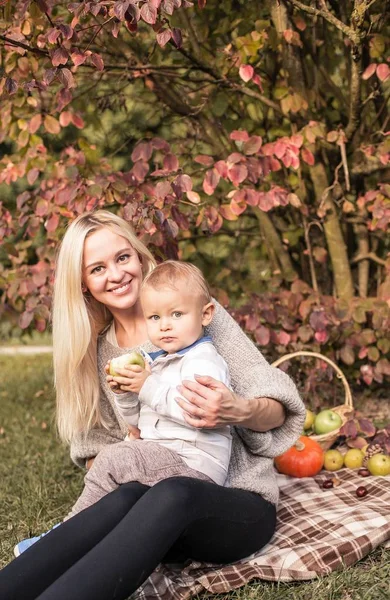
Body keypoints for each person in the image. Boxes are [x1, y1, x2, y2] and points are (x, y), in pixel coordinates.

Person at [0, 209, 305, 600]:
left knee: (174, 491)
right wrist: (133, 437)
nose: (116, 274)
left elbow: (278, 410)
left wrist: (238, 410)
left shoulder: (194, 314)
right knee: (131, 494)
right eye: (97, 268)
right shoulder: (96, 352)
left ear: (140, 257)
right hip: (150, 511)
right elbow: (98, 455)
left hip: (232, 504)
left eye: (122, 258)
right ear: (84, 285)